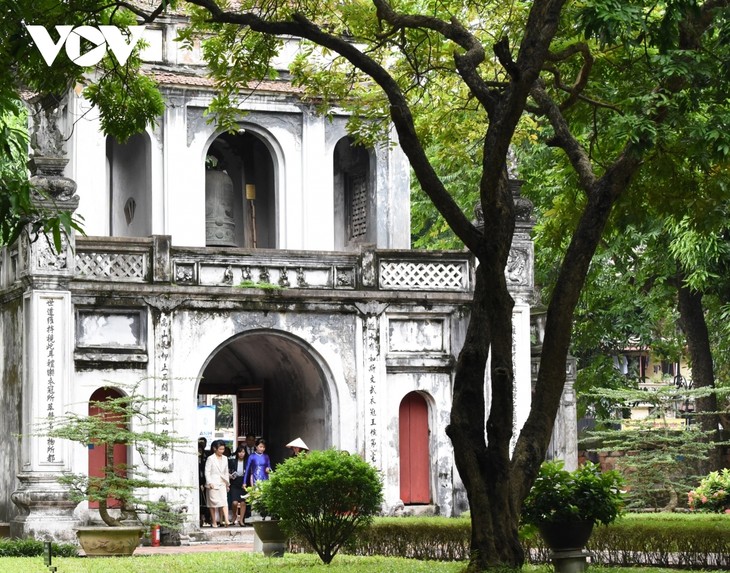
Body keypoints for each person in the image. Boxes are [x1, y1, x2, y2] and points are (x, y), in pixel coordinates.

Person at [204, 439, 231, 527]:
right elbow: (207, 471)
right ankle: (214, 521)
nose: (222, 451)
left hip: (222, 482)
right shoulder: (210, 458)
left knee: (224, 501)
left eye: (223, 449)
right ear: (215, 448)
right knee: (213, 503)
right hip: (213, 483)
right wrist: (209, 482)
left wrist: (227, 483)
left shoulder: (225, 458)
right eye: (220, 449)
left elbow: (226, 472)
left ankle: (226, 520)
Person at [228, 445, 248, 526]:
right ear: (237, 453)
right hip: (235, 483)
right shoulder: (232, 461)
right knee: (234, 502)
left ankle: (241, 520)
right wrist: (230, 475)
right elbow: (228, 471)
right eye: (240, 452)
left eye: (243, 452)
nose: (241, 454)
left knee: (243, 502)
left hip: (244, 483)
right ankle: (234, 515)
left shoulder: (247, 462)